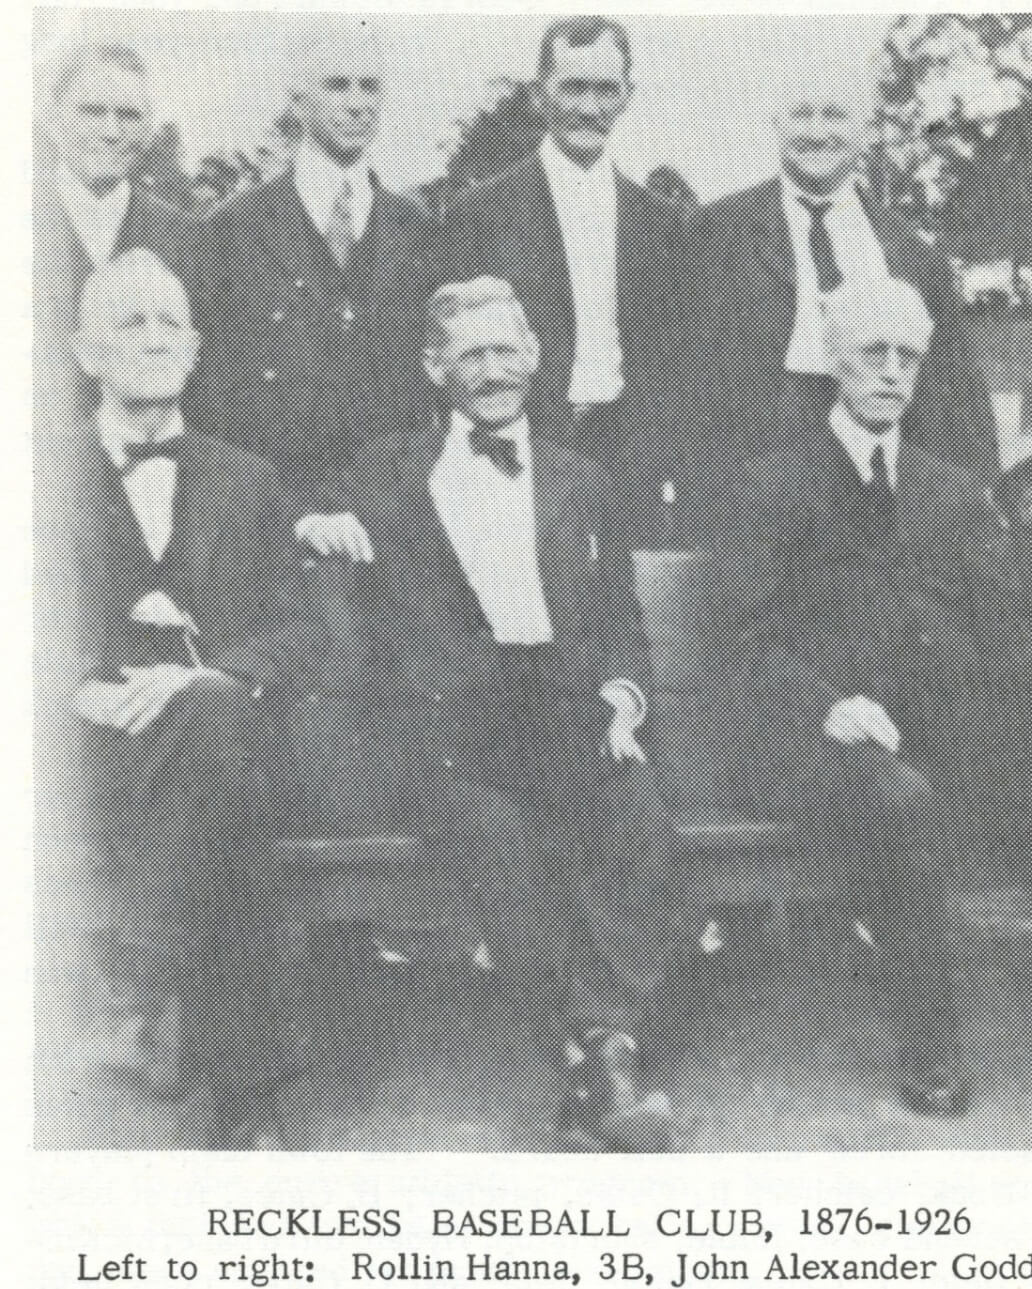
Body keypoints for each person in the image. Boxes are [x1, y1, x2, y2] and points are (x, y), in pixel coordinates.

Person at [737, 276, 1032, 1146]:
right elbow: (745, 644)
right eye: (872, 355)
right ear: (833, 363)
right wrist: (831, 706)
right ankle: (930, 1038)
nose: (891, 373)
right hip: (824, 746)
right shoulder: (773, 485)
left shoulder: (952, 489)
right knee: (898, 798)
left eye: (907, 358)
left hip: (950, 732)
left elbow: (1009, 630)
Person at [297, 277, 697, 1151]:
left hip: (561, 704)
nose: (492, 371)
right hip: (444, 722)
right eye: (471, 354)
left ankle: (601, 1046)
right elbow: (280, 507)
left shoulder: (583, 481)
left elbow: (621, 621)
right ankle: (598, 1057)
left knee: (633, 806)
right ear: (434, 367)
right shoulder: (382, 471)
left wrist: (623, 700)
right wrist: (315, 525)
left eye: (506, 351)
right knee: (492, 830)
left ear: (535, 358)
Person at [58, 249, 321, 1149]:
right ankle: (248, 1104)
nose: (156, 337)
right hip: (76, 757)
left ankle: (135, 978)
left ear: (199, 348)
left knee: (216, 730)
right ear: (85, 350)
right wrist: (75, 690)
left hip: (220, 732)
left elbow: (296, 631)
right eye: (131, 321)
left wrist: (218, 677)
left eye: (171, 321)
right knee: (231, 798)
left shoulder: (246, 479)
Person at [683, 75, 999, 538]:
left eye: (834, 116)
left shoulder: (912, 254)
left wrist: (979, 496)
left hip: (876, 486)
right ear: (776, 126)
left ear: (865, 129)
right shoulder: (714, 234)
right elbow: (678, 374)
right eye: (801, 116)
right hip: (752, 492)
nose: (816, 133)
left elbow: (953, 385)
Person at [439, 16, 685, 543]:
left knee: (623, 607)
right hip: (523, 438)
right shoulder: (480, 213)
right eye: (573, 87)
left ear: (628, 96)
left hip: (628, 446)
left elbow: (675, 352)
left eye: (606, 90)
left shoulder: (663, 223)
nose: (590, 108)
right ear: (539, 95)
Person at [181, 31, 435, 508]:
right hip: (274, 508)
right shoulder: (232, 229)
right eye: (338, 86)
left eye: (370, 87)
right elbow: (208, 387)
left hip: (395, 508)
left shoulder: (416, 230)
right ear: (299, 102)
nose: (358, 104)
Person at [35, 43, 192, 419]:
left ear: (150, 128)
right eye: (92, 112)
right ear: (54, 119)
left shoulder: (185, 237)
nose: (111, 131)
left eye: (129, 116)